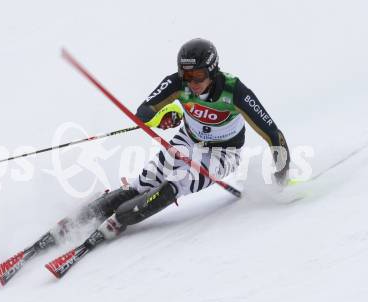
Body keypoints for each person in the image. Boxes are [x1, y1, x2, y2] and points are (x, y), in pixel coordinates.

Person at [87, 38, 290, 241]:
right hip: (188, 140)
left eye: (199, 76)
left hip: (224, 153)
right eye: (186, 75)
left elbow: (273, 134)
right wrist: (163, 117)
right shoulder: (177, 83)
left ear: (212, 70)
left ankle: (121, 219)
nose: (192, 83)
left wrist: (282, 175)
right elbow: (144, 111)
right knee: (146, 180)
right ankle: (87, 216)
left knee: (181, 179)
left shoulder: (235, 92)